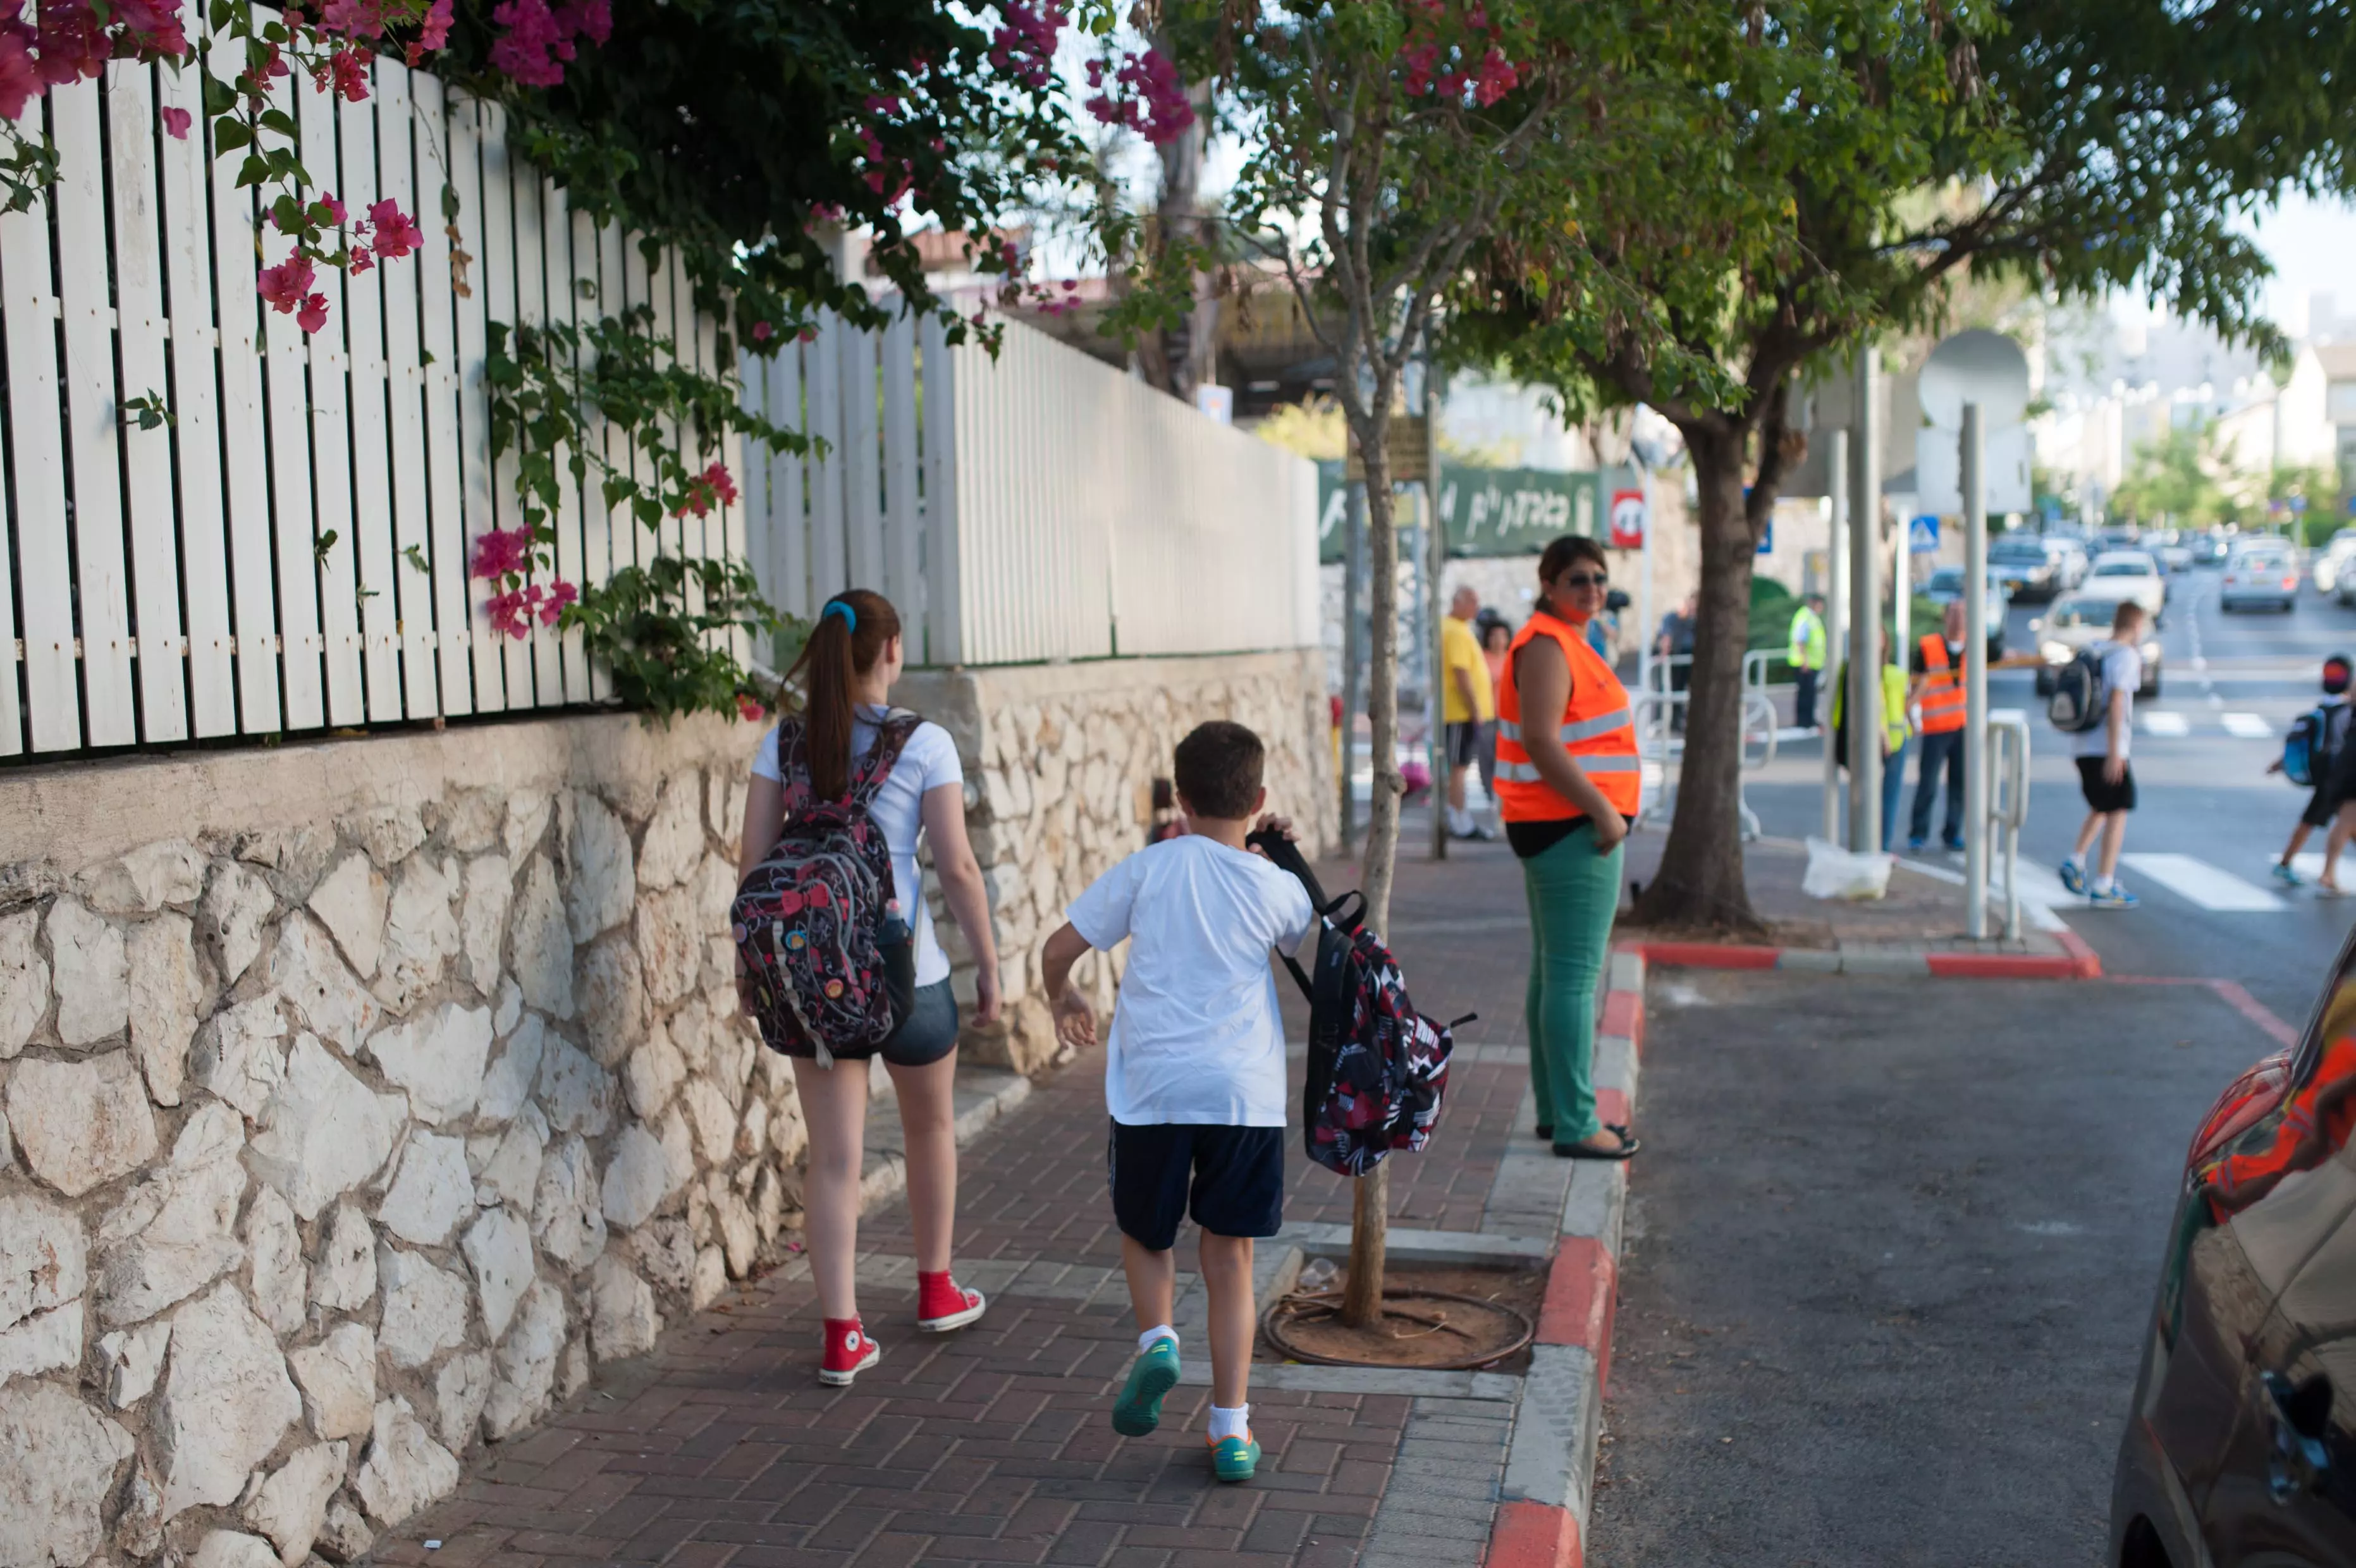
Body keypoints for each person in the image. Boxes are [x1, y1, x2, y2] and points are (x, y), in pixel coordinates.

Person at [737, 589, 1002, 1387]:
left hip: (816, 983)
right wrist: (988, 959)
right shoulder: (925, 743)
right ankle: (936, 1287)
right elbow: (955, 866)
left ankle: (842, 1336)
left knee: (835, 1160)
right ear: (891, 651)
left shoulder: (781, 744)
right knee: (929, 1130)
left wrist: (753, 974)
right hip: (908, 974)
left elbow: (751, 868)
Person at [1038, 722, 1313, 1484]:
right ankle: (1231, 1432)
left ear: (1179, 797)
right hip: (1241, 1094)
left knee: (1146, 1231)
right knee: (1230, 1258)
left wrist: (1062, 998)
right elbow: (1311, 931)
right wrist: (1275, 851)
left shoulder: (1148, 868)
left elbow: (1059, 949)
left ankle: (1158, 1339)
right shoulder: (1275, 885)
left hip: (1153, 1087)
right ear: (1257, 799)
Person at [1496, 536, 1641, 1161]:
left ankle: (1557, 1110)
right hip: (1570, 827)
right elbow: (1542, 739)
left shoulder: (1565, 640)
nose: (1592, 588)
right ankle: (1577, 1121)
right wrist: (1605, 812)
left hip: (1558, 825)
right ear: (1550, 584)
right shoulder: (1550, 644)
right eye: (1578, 578)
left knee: (1555, 973)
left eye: (1600, 578)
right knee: (1576, 980)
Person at [2059, 601, 2148, 908]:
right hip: (2106, 748)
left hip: (2081, 745)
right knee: (2119, 809)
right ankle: (2104, 883)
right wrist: (2115, 753)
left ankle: (2076, 860)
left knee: (2102, 805)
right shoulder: (2126, 656)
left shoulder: (2094, 650)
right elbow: (2118, 704)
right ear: (2136, 626)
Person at [2270, 654, 2353, 888]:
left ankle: (2288, 864)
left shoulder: (2324, 708)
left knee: (2341, 822)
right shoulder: (2345, 711)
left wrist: (2281, 762)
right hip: (2338, 778)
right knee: (2330, 821)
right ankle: (2293, 865)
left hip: (2333, 776)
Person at [1830, 647, 1913, 850]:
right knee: (1867, 794)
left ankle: (1881, 846)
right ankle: (1869, 845)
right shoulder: (1854, 672)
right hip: (1872, 739)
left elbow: (1902, 706)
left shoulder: (1895, 674)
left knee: (1888, 797)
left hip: (1896, 739)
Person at [1906, 599, 1968, 852]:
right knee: (1928, 783)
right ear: (1945, 617)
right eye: (1953, 613)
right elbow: (1916, 683)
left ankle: (1952, 833)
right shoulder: (1928, 646)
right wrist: (1911, 712)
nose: (1958, 619)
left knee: (1959, 784)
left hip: (1963, 727)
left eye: (1963, 614)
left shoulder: (1975, 646)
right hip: (1935, 727)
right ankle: (1918, 833)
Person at [1439, 586, 1497, 841]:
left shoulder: (1460, 629)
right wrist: (1474, 709)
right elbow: (1461, 673)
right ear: (1459, 602)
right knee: (1458, 767)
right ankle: (1458, 817)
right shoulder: (1453, 631)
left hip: (1464, 713)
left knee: (1462, 765)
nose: (1476, 606)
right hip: (1459, 713)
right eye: (1472, 601)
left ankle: (1460, 814)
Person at [1477, 615, 1513, 828]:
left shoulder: (1512, 658)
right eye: (1494, 636)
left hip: (1508, 717)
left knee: (1505, 762)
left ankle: (1504, 803)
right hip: (1488, 716)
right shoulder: (1483, 658)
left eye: (1503, 636)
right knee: (1487, 759)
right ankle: (1492, 798)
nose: (1499, 640)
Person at [1655, 593, 1697, 734]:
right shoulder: (1673, 618)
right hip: (1676, 660)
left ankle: (1677, 720)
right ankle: (1669, 721)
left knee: (1680, 692)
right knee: (1672, 690)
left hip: (1686, 661)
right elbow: (1666, 638)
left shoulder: (1695, 621)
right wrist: (1664, 654)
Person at [1788, 592, 1828, 731]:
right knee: (1806, 693)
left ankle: (1808, 720)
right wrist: (1805, 661)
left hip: (1812, 662)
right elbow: (1800, 641)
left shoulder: (1811, 617)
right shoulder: (1805, 617)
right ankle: (1804, 722)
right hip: (1805, 663)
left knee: (1810, 693)